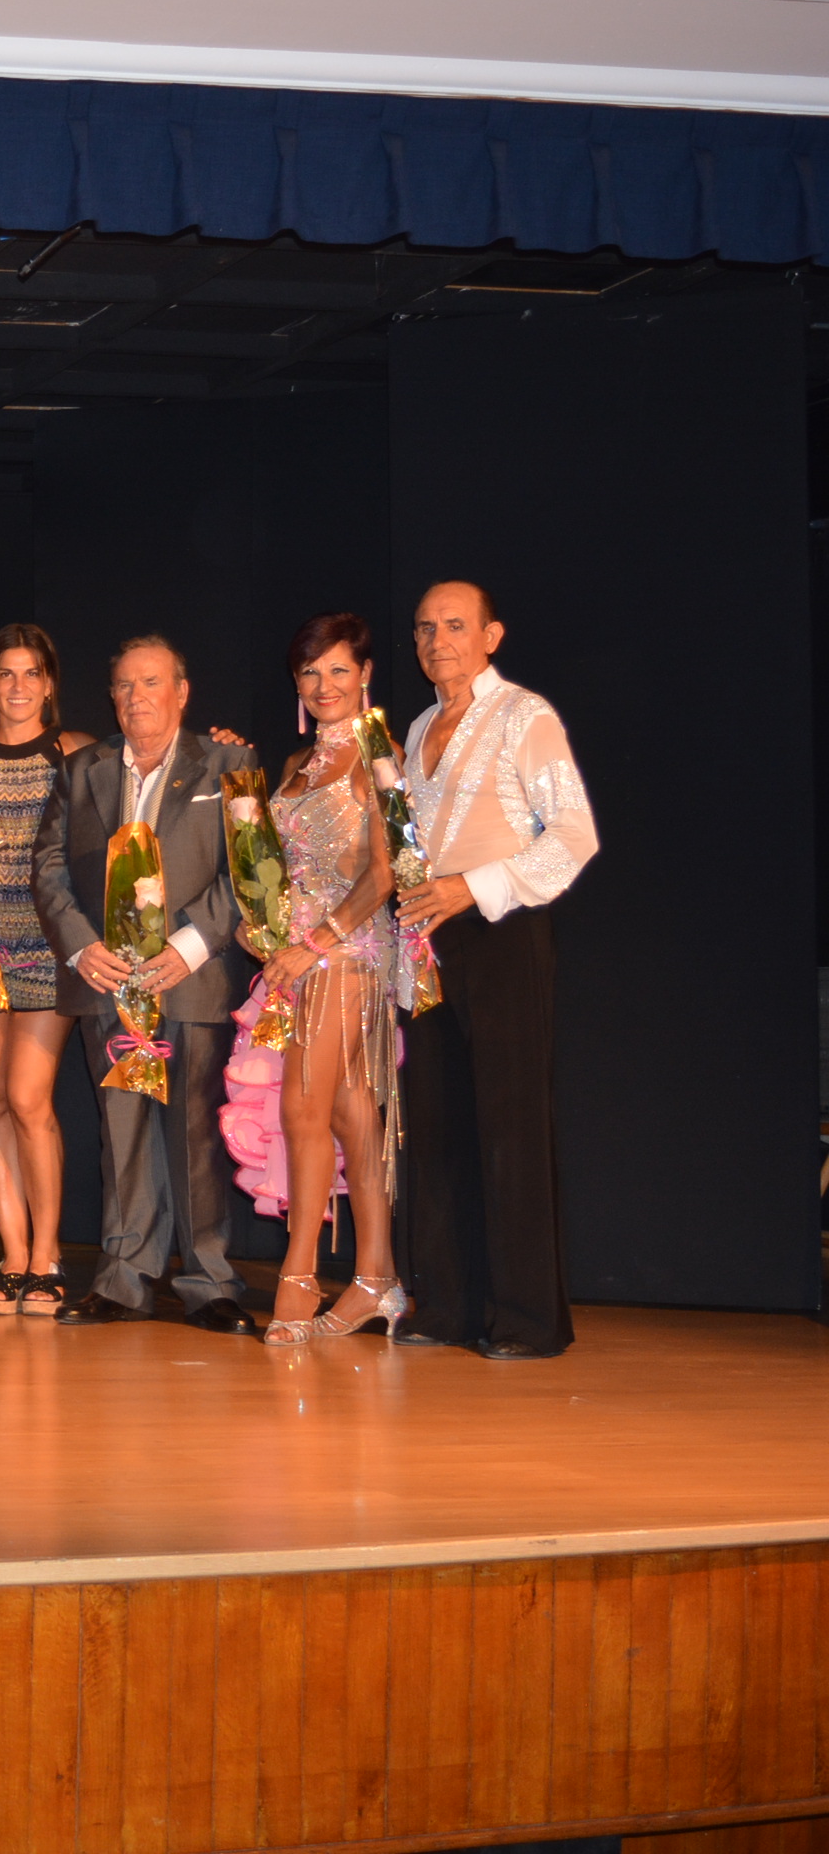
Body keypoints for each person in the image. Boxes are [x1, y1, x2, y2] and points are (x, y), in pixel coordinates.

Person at [394, 580, 598, 1360]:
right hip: (431, 942)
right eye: (424, 629)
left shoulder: (525, 716)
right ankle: (445, 1306)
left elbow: (572, 837)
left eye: (454, 626)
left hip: (504, 930)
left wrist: (470, 889)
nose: (437, 641)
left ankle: (527, 1320)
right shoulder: (416, 728)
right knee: (437, 1126)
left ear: (492, 635)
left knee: (510, 1128)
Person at [32, 634, 258, 1332]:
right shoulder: (82, 769)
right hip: (111, 983)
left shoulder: (231, 762)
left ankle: (209, 1283)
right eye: (125, 686)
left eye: (151, 683)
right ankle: (124, 1278)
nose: (137, 698)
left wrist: (189, 947)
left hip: (191, 980)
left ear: (181, 692)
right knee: (122, 1137)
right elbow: (47, 868)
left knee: (194, 1136)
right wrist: (81, 948)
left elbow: (248, 870)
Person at [252, 613, 405, 1344]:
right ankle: (377, 1278)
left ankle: (299, 1276)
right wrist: (267, 928)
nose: (324, 686)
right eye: (311, 673)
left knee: (302, 1112)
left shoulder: (381, 756)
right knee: (350, 1116)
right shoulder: (293, 767)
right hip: (299, 957)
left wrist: (315, 941)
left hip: (348, 953)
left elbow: (386, 873)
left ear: (366, 674)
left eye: (339, 670)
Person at [0, 626, 100, 1318]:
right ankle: (12, 1255)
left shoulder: (78, 752)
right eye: (4, 674)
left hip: (45, 941)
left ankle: (48, 1255)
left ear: (49, 683)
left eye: (30, 673)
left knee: (31, 1097)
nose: (16, 687)